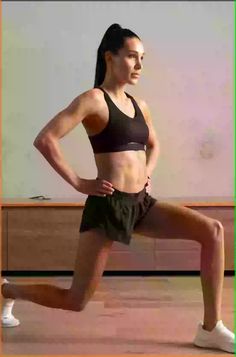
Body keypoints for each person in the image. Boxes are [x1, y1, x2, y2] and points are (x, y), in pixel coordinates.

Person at [1, 23, 234, 354]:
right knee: (76, 300)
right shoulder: (93, 100)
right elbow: (46, 139)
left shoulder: (140, 105)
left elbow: (154, 145)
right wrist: (80, 182)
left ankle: (211, 328)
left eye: (142, 58)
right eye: (131, 56)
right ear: (110, 57)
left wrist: (147, 173)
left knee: (212, 231)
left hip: (141, 203)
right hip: (109, 206)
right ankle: (8, 291)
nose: (139, 65)